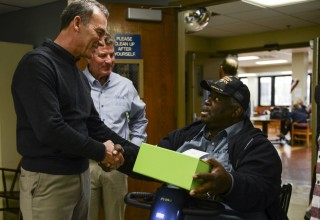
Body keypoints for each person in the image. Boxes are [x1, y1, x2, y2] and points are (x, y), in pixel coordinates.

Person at [11, 1, 138, 219]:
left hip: (80, 177)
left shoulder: (77, 74)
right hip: (48, 180)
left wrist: (162, 166)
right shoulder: (38, 64)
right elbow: (50, 128)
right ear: (77, 23)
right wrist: (101, 151)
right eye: (98, 32)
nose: (100, 41)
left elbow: (95, 127)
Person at [116, 76, 284, 220]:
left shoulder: (256, 146)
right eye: (209, 96)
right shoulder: (185, 135)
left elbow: (261, 190)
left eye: (217, 99)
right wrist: (119, 155)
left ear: (236, 111)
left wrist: (228, 184)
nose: (207, 101)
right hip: (177, 212)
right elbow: (153, 163)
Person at [83, 33, 148, 220]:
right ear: (89, 56)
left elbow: (139, 119)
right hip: (86, 164)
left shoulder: (125, 86)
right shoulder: (77, 83)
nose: (109, 60)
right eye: (103, 55)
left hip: (117, 163)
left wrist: (133, 149)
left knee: (116, 217)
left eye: (112, 55)